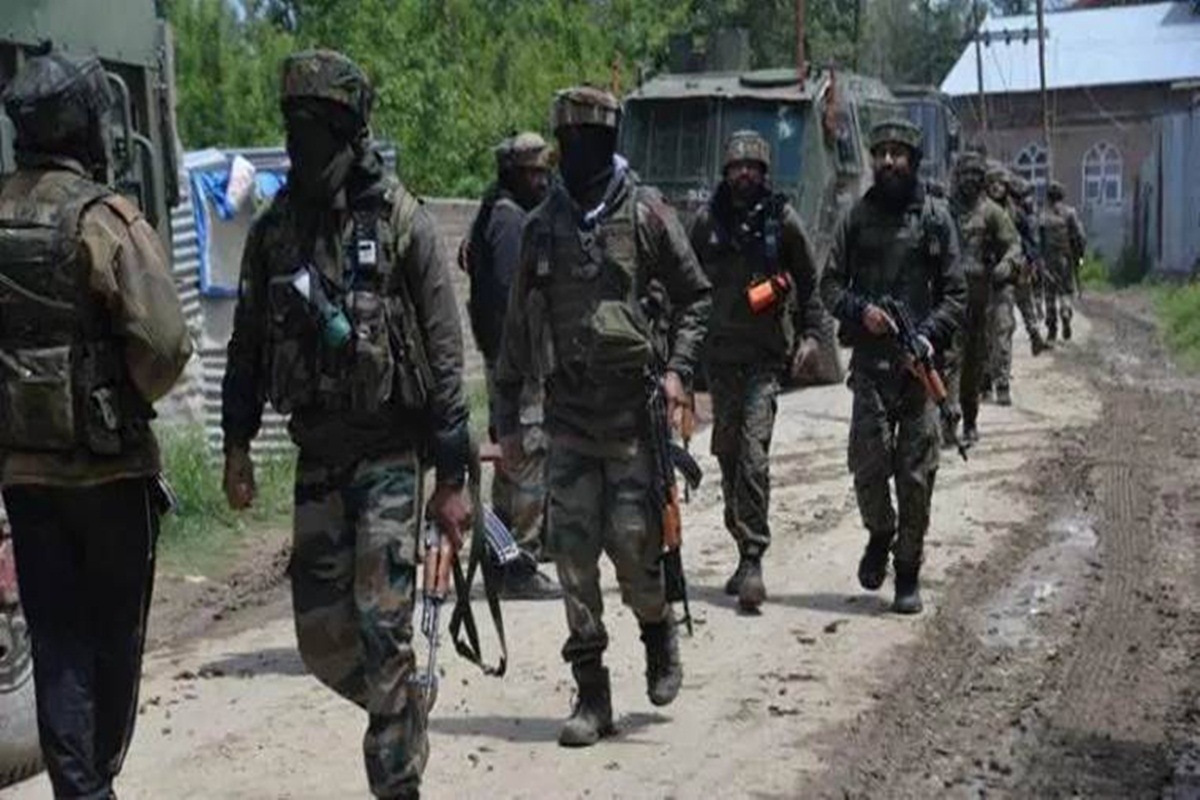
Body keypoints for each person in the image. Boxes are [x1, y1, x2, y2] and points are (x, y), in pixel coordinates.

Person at [220, 50, 471, 800]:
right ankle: (403, 708)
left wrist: (452, 478)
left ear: (348, 131)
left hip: (390, 455)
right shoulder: (274, 233)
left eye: (316, 127)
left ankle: (395, 781)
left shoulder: (399, 221)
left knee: (383, 626)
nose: (300, 144)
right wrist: (236, 446)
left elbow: (445, 350)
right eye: (293, 126)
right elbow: (245, 347)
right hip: (318, 457)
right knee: (324, 641)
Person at [0, 47, 191, 798]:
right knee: (113, 641)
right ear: (83, 125)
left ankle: (82, 788)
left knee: (56, 641)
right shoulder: (104, 220)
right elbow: (166, 343)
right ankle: (92, 783)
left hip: (26, 474)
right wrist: (121, 398)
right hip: (110, 473)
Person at [494, 86, 711, 747]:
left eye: (589, 138)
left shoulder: (645, 213)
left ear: (609, 140)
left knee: (635, 549)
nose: (578, 150)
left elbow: (696, 297)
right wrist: (506, 421)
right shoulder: (542, 225)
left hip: (631, 422)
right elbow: (515, 331)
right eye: (569, 139)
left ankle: (656, 629)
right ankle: (592, 694)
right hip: (567, 421)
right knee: (573, 559)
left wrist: (678, 372)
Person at [819, 118, 965, 614]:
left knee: (916, 478)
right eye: (880, 153)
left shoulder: (936, 219)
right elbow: (829, 286)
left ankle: (907, 571)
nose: (887, 161)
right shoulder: (855, 218)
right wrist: (861, 312)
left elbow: (956, 294)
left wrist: (925, 335)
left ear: (912, 160)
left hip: (918, 370)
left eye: (897, 153)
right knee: (868, 466)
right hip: (870, 366)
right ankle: (880, 532)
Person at [687, 130, 823, 611]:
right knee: (727, 452)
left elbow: (810, 283)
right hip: (719, 359)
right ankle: (740, 541)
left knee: (752, 455)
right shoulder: (706, 223)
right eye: (736, 166)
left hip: (765, 359)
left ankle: (752, 558)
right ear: (725, 172)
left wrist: (812, 337)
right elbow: (682, 282)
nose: (743, 173)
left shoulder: (782, 221)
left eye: (752, 167)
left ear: (764, 174)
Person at [461, 132, 558, 599]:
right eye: (532, 173)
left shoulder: (498, 215)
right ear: (514, 174)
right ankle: (520, 560)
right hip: (517, 363)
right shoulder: (508, 222)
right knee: (527, 457)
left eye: (544, 172)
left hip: (510, 359)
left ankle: (500, 560)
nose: (541, 181)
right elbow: (508, 302)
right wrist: (517, 365)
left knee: (509, 462)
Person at [946, 152, 1020, 444]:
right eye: (965, 174)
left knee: (974, 362)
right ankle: (947, 418)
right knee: (948, 359)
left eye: (975, 175)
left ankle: (970, 419)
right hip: (947, 298)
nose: (969, 180)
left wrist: (1006, 264)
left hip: (979, 299)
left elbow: (1013, 244)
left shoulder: (992, 212)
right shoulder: (944, 210)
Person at [1040, 180, 1087, 342]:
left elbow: (1038, 241)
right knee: (1065, 291)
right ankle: (1065, 312)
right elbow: (1080, 236)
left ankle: (1052, 328)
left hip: (1048, 261)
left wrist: (1039, 261)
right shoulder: (1070, 213)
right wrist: (1080, 258)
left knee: (1049, 294)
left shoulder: (1043, 216)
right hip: (1066, 259)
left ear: (1048, 197)